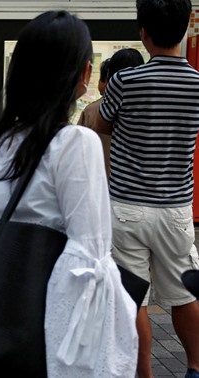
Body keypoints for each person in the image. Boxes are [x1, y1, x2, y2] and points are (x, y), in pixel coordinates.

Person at [0, 11, 138, 377]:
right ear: (83, 75)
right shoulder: (76, 143)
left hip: (4, 322)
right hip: (49, 333)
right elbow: (90, 258)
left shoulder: (4, 142)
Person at [96, 1, 199, 377]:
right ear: (186, 28)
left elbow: (104, 124)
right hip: (176, 208)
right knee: (184, 294)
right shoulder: (196, 83)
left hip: (127, 207)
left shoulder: (126, 80)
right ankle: (194, 368)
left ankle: (144, 374)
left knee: (132, 298)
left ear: (143, 32)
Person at [79, 49, 145, 177]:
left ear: (110, 75)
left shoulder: (91, 111)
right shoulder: (148, 107)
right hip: (136, 185)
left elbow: (78, 151)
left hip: (100, 182)